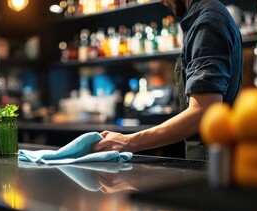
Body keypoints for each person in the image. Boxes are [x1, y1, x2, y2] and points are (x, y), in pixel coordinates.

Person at [92, 0, 243, 160]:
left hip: (210, 164)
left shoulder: (208, 21)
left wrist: (127, 142)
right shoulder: (203, 18)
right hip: (207, 161)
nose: (162, 2)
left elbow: (203, 111)